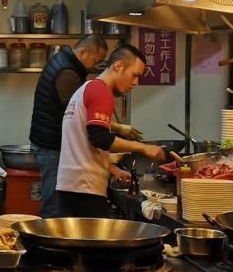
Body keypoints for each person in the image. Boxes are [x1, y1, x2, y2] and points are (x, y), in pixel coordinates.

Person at [30, 35, 144, 218]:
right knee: (53, 210)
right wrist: (144, 147)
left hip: (59, 155)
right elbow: (92, 130)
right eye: (96, 60)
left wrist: (111, 168)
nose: (96, 65)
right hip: (54, 148)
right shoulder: (70, 73)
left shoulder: (70, 66)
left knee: (57, 212)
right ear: (83, 51)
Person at [56, 43, 167, 219]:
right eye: (134, 75)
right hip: (85, 189)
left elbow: (83, 143)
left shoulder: (86, 88)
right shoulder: (101, 91)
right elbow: (99, 138)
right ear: (118, 66)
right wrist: (144, 148)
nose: (135, 83)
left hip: (71, 186)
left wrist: (112, 169)